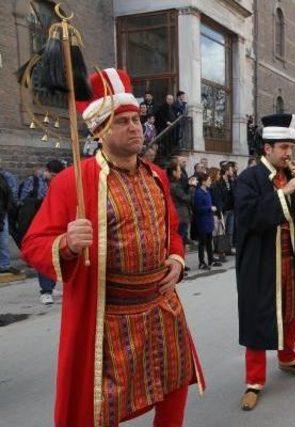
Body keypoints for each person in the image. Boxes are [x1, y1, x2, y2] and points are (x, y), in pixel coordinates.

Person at [21, 68, 204, 427]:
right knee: (104, 405)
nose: (135, 127)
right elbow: (33, 244)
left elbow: (173, 232)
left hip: (163, 308)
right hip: (111, 316)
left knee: (176, 382)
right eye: (123, 122)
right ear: (100, 130)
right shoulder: (72, 181)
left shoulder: (157, 176)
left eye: (137, 119)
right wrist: (67, 244)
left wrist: (178, 260)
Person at [235, 113, 295, 411]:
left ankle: (288, 359)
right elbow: (250, 218)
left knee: (291, 312)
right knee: (258, 318)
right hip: (260, 263)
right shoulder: (248, 178)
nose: (289, 153)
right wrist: (283, 192)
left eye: (291, 146)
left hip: (290, 258)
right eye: (283, 147)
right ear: (267, 149)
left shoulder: (289, 176)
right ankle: (254, 381)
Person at [18, 160, 65, 304]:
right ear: (47, 171)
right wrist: (41, 201)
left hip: (56, 223)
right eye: (53, 175)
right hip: (37, 222)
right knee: (44, 255)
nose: (55, 178)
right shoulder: (34, 182)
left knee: (56, 256)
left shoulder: (61, 182)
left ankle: (50, 286)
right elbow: (22, 200)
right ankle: (45, 291)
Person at [167, 157, 193, 273]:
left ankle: (182, 263)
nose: (181, 173)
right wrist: (192, 187)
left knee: (183, 240)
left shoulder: (176, 184)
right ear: (173, 172)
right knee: (181, 241)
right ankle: (179, 265)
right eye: (179, 170)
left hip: (182, 215)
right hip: (180, 216)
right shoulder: (174, 186)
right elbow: (186, 198)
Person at [193, 172, 221, 270]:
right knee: (202, 243)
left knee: (209, 241)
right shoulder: (198, 193)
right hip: (202, 221)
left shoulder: (207, 191)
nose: (210, 182)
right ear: (203, 182)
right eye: (209, 180)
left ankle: (211, 260)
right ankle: (201, 262)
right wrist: (210, 208)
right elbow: (198, 209)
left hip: (208, 220)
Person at [212, 161, 236, 255]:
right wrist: (221, 208)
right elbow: (220, 196)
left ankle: (228, 248)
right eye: (231, 170)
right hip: (224, 209)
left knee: (230, 230)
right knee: (222, 230)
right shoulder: (219, 182)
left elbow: (233, 193)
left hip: (232, 208)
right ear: (226, 171)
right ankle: (220, 249)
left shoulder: (231, 181)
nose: (232, 171)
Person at [0, 165, 19, 276]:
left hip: (2, 213)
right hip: (3, 212)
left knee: (3, 240)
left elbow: (9, 194)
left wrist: (8, 209)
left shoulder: (5, 177)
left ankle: (4, 265)